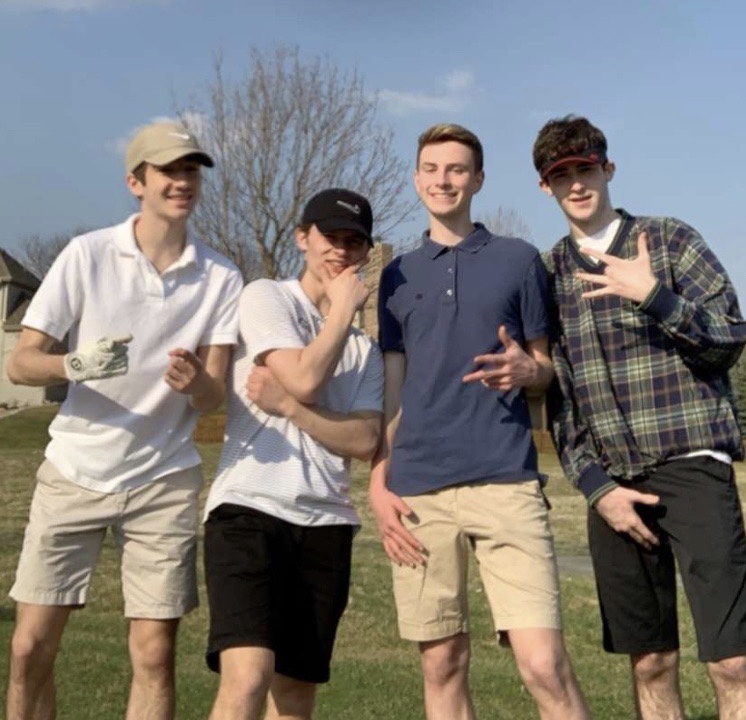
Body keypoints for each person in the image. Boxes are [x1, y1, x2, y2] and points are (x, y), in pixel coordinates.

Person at [5, 121, 243, 720]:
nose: (182, 181)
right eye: (168, 171)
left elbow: (214, 395)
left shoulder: (221, 276)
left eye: (190, 171)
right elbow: (21, 361)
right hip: (75, 470)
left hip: (163, 478)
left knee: (154, 652)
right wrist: (74, 363)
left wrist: (198, 385)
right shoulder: (87, 255)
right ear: (135, 181)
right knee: (30, 646)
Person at [369, 123, 589, 720]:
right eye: (432, 169)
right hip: (419, 490)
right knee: (442, 664)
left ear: (478, 180)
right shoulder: (397, 274)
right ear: (417, 179)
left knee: (543, 663)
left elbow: (545, 368)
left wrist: (527, 368)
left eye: (457, 169)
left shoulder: (519, 261)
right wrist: (378, 481)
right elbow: (395, 388)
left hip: (505, 481)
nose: (443, 180)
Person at [534, 114, 746, 719]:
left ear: (609, 170)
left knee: (732, 659)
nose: (577, 184)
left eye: (587, 169)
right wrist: (597, 489)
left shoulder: (670, 240)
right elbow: (562, 402)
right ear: (546, 188)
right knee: (651, 661)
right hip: (615, 484)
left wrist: (654, 295)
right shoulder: (548, 275)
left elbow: (730, 338)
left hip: (692, 465)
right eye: (562, 175)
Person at [203, 188, 384, 720]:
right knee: (248, 677)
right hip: (249, 509)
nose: (341, 252)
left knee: (296, 695)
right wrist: (339, 315)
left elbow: (365, 440)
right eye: (330, 237)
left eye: (354, 243)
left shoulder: (365, 351)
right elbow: (304, 377)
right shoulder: (267, 297)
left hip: (326, 522)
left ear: (365, 254)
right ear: (304, 238)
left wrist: (290, 409)